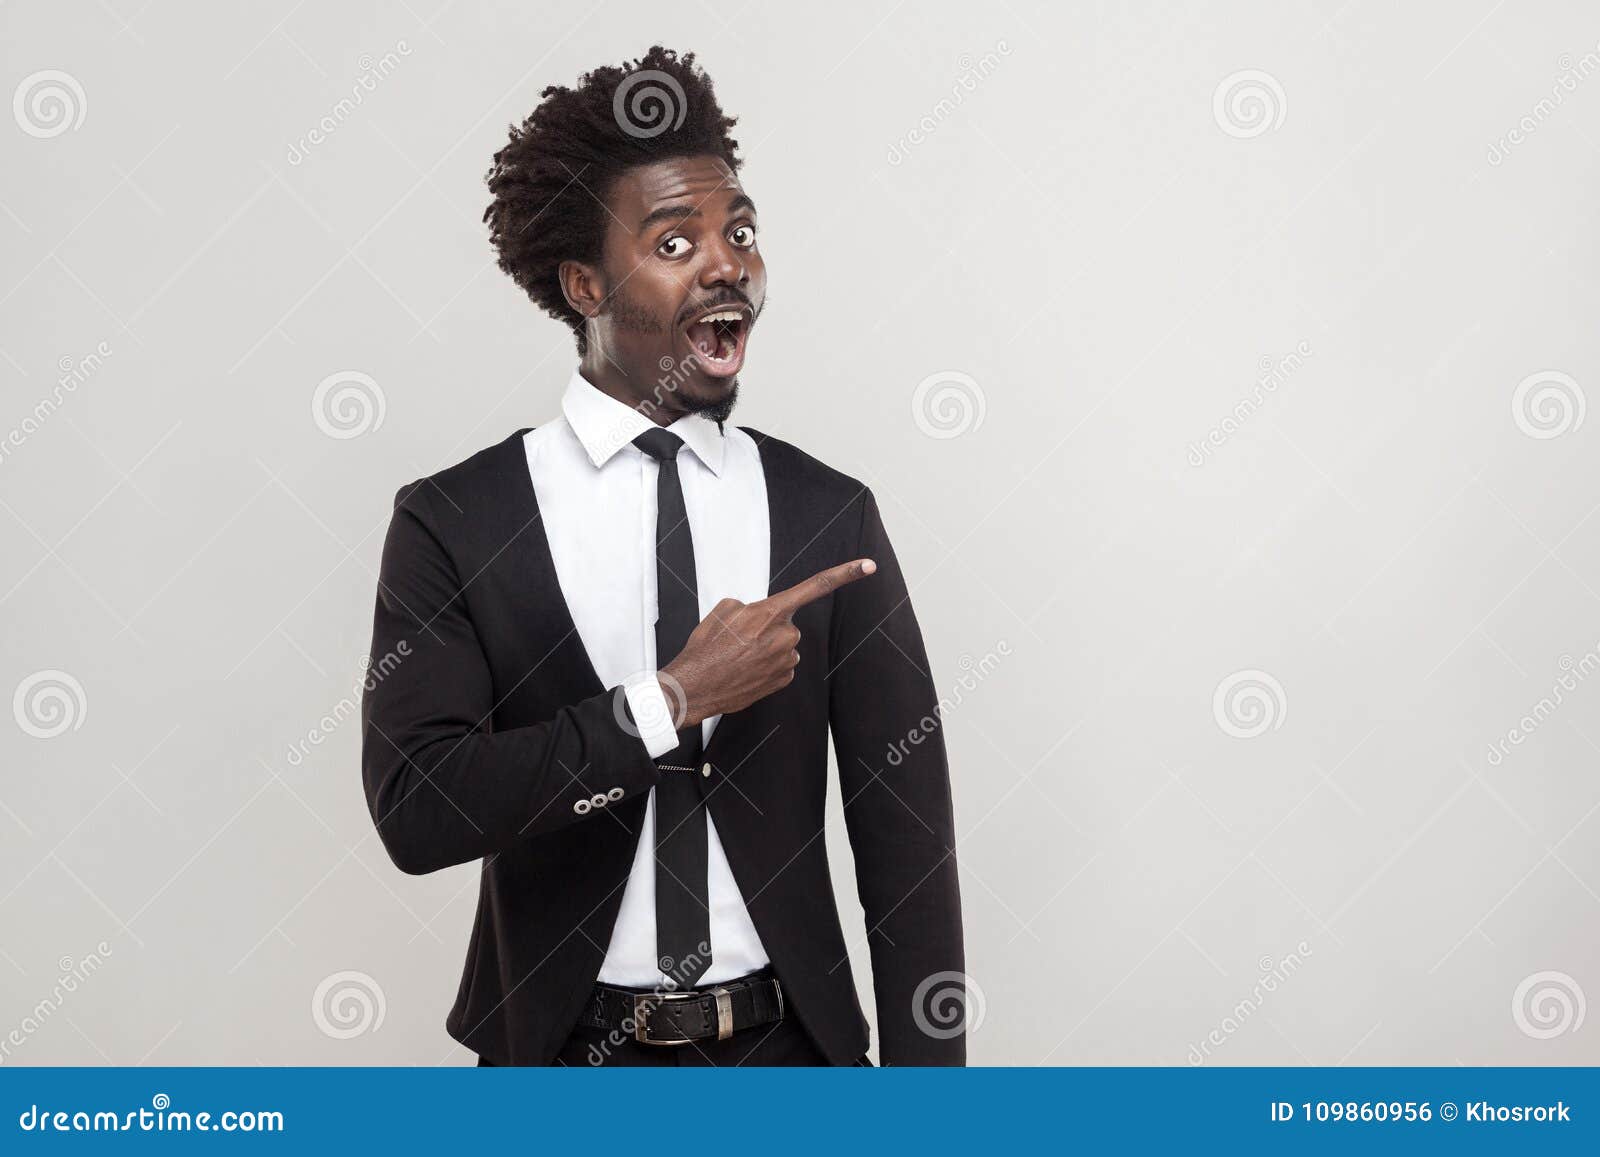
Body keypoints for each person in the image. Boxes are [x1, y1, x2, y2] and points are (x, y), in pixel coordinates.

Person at [360, 46, 964, 1066]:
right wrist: (668, 700)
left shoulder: (829, 515)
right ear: (584, 280)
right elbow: (420, 810)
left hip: (789, 1060)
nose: (727, 263)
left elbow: (906, 844)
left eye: (739, 233)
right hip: (561, 1060)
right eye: (676, 241)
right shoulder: (456, 519)